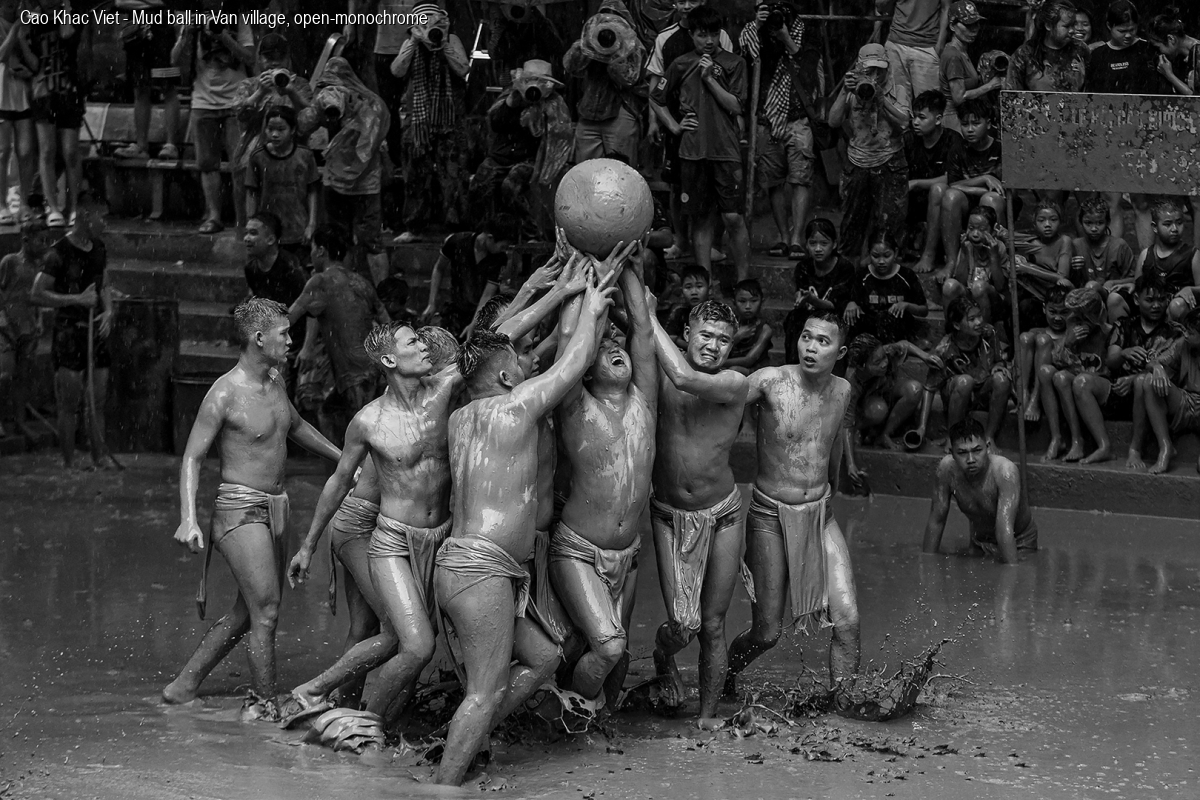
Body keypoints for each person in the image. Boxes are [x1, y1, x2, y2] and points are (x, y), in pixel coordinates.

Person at [434, 267, 616, 786]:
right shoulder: (514, 407)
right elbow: (575, 361)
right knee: (484, 691)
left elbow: (482, 350)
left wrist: (557, 291)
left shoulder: (460, 416)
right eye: (519, 361)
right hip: (481, 570)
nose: (528, 364)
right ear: (507, 378)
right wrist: (592, 306)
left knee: (543, 657)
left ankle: (464, 741)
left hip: (467, 566)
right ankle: (442, 789)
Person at [163, 298, 340, 716]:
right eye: (285, 334)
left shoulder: (275, 381)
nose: (292, 341)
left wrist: (345, 459)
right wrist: (188, 518)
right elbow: (192, 457)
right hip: (240, 509)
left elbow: (296, 426)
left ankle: (183, 687)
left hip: (277, 506)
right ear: (259, 338)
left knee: (250, 611)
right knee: (267, 611)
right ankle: (265, 707)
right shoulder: (224, 393)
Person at [282, 320, 461, 728]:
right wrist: (308, 545)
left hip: (407, 530)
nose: (424, 348)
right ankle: (336, 704)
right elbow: (338, 481)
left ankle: (350, 712)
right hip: (361, 525)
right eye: (414, 342)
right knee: (403, 634)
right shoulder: (372, 420)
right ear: (390, 360)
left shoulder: (439, 397)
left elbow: (490, 340)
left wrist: (542, 292)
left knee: (372, 628)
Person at [726, 313, 859, 695]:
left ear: (840, 352)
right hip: (769, 515)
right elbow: (719, 405)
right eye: (806, 337)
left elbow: (831, 443)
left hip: (820, 514)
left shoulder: (843, 390)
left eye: (822, 341)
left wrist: (836, 484)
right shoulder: (770, 381)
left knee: (848, 622)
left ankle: (842, 708)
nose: (811, 347)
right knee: (767, 633)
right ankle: (724, 675)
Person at [552, 243, 654, 706]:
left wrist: (628, 265)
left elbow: (644, 332)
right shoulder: (576, 406)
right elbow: (568, 340)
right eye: (604, 347)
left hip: (628, 555)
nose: (617, 348)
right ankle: (568, 720)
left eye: (619, 345)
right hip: (579, 550)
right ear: (586, 368)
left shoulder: (645, 401)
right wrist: (583, 278)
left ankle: (600, 725)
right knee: (609, 647)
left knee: (619, 660)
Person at [644, 297, 747, 724]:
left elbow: (685, 378)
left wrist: (649, 313)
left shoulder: (734, 383)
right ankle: (661, 654)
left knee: (713, 623)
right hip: (669, 513)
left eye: (723, 340)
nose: (713, 346)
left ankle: (706, 716)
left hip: (723, 513)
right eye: (705, 335)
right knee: (681, 625)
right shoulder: (655, 372)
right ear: (686, 333)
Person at [652, 5, 751, 282]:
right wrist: (674, 126)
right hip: (693, 151)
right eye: (701, 35)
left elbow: (736, 105)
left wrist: (709, 79)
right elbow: (656, 97)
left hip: (726, 150)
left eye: (714, 34)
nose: (708, 41)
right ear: (692, 34)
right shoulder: (680, 63)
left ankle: (744, 283)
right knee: (702, 218)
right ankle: (704, 284)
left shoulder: (734, 62)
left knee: (733, 217)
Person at [30, 194, 119, 470]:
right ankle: (68, 463)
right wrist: (76, 300)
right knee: (69, 404)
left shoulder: (99, 248)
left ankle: (99, 457)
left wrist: (108, 311)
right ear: (85, 216)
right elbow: (37, 293)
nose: (105, 224)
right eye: (102, 217)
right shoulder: (58, 252)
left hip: (96, 330)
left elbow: (104, 283)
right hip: (70, 333)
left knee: (97, 401)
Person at [288, 224, 390, 445]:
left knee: (363, 431)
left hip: (354, 372)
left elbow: (289, 317)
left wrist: (262, 326)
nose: (311, 254)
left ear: (321, 251)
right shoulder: (362, 282)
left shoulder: (320, 281)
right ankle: (341, 462)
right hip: (372, 367)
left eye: (312, 249)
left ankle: (348, 464)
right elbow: (389, 324)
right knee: (330, 411)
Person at [740, 0, 823, 258]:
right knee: (773, 181)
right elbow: (749, 60)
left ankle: (797, 238)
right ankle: (783, 237)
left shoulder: (807, 34)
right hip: (767, 118)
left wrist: (786, 38)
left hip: (799, 119)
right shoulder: (756, 34)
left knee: (800, 179)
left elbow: (809, 75)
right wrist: (759, 27)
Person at [172, 0, 255, 233]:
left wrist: (224, 37)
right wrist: (187, 34)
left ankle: (243, 220)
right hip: (203, 101)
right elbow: (174, 60)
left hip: (236, 100)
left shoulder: (237, 18)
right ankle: (214, 216)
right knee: (207, 164)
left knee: (241, 164)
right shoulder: (192, 20)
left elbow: (250, 57)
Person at [1087, 1, 1164, 248]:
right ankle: (1114, 259)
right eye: (1122, 30)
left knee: (1142, 202)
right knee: (1111, 201)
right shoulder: (1098, 56)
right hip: (1109, 138)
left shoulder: (1148, 51)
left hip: (1143, 138)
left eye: (1132, 29)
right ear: (1109, 27)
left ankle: (1146, 259)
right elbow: (1092, 99)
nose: (1128, 35)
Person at [391, 5, 470, 242]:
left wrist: (443, 43)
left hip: (449, 118)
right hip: (417, 121)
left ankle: (455, 227)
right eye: (424, 24)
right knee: (415, 174)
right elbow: (397, 71)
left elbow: (463, 69)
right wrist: (415, 41)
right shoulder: (411, 43)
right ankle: (415, 226)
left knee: (452, 174)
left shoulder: (451, 39)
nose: (430, 28)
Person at [829, 43, 912, 261]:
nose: (875, 76)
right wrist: (844, 91)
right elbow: (833, 121)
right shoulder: (852, 89)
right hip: (857, 161)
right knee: (852, 222)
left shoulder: (898, 89)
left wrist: (882, 101)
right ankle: (850, 270)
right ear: (859, 68)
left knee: (889, 223)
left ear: (887, 67)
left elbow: (904, 124)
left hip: (889, 161)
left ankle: (886, 268)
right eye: (869, 70)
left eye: (879, 70)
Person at [312, 57, 391, 283]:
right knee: (337, 240)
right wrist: (319, 107)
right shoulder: (325, 101)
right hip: (334, 182)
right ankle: (342, 287)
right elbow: (304, 124)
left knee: (371, 240)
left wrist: (355, 111)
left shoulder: (372, 105)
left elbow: (366, 149)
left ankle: (383, 292)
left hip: (365, 184)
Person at [921, 417, 1038, 564]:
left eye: (977, 450)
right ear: (951, 453)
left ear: (988, 447)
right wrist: (925, 564)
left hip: (1019, 542)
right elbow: (936, 521)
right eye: (962, 453)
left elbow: (1004, 531)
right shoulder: (946, 471)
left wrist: (1012, 571)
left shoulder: (1005, 473)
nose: (971, 459)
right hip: (979, 541)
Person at [27, 0, 92, 228]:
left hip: (68, 90)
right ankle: (52, 206)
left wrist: (65, 11)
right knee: (47, 150)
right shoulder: (32, 19)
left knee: (70, 151)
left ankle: (74, 207)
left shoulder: (73, 15)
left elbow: (68, 36)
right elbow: (30, 58)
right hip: (43, 92)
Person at [1036, 286, 1115, 462]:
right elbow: (1059, 360)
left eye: (1084, 318)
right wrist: (1069, 343)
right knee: (1056, 375)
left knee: (1079, 380)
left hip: (1100, 383)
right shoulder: (1072, 324)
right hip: (1077, 379)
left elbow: (1111, 367)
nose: (1079, 322)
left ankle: (1102, 445)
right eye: (1076, 317)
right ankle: (1070, 439)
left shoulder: (1108, 331)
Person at [565, 0, 647, 167]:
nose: (609, 24)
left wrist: (617, 52)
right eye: (605, 19)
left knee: (621, 170)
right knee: (588, 170)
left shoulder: (633, 44)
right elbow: (572, 67)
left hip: (621, 111)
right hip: (589, 112)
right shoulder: (591, 40)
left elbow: (630, 79)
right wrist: (584, 46)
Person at [841, 332, 940, 461]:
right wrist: (850, 464)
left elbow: (905, 345)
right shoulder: (852, 380)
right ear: (862, 366)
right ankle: (861, 430)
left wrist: (925, 356)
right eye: (877, 362)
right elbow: (847, 422)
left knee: (914, 389)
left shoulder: (885, 351)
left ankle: (885, 434)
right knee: (878, 410)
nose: (884, 363)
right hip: (866, 408)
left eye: (884, 358)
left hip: (887, 390)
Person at [420, 214, 517, 338]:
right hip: (456, 309)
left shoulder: (499, 258)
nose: (504, 250)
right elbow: (439, 269)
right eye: (503, 246)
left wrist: (474, 324)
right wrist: (432, 303)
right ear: (490, 238)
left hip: (482, 312)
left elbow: (487, 294)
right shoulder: (456, 242)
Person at [930, 296, 1012, 444]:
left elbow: (998, 360)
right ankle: (952, 437)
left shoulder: (989, 333)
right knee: (965, 381)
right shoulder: (945, 348)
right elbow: (929, 387)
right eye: (972, 319)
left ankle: (989, 437)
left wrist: (999, 366)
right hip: (958, 393)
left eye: (980, 316)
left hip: (981, 390)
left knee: (1002, 379)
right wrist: (922, 427)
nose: (979, 322)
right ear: (957, 325)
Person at [939, 96, 1005, 275]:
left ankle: (995, 262)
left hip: (994, 206)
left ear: (988, 124)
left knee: (990, 199)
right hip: (967, 206)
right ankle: (952, 261)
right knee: (950, 196)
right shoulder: (957, 150)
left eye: (976, 124)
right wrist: (983, 179)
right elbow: (953, 184)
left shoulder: (1000, 150)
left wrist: (981, 191)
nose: (969, 129)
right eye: (964, 124)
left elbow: (1006, 192)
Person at [245, 106, 321, 260]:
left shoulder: (305, 155)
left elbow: (312, 191)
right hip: (268, 230)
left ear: (292, 130)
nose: (274, 134)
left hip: (298, 227)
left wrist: (311, 224)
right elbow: (251, 192)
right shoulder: (258, 157)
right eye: (270, 129)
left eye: (281, 129)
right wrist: (252, 224)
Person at [1134, 306, 1200, 474]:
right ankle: (1165, 447)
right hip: (1186, 400)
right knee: (1148, 381)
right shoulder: (1183, 344)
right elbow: (1155, 361)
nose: (1186, 335)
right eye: (1186, 331)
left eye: (1191, 333)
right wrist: (1157, 367)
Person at [0, 215, 48, 438]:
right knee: (4, 375)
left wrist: (39, 320)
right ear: (26, 240)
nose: (44, 245)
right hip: (7, 327)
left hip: (28, 328)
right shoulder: (10, 262)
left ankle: (20, 422)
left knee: (23, 377)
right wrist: (2, 317)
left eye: (46, 240)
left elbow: (38, 297)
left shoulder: (40, 267)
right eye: (40, 240)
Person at [114, 0, 181, 161]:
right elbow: (120, 2)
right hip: (135, 29)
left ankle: (171, 145)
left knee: (167, 86)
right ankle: (141, 146)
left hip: (162, 26)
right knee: (139, 88)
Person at [784, 218, 856, 364]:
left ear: (834, 244)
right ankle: (794, 364)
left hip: (835, 317)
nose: (818, 249)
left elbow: (835, 305)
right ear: (806, 244)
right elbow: (800, 293)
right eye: (813, 243)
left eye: (824, 244)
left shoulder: (844, 267)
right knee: (794, 318)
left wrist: (812, 299)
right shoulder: (803, 267)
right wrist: (800, 298)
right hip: (810, 316)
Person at [906, 90, 963, 273]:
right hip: (914, 204)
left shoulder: (953, 140)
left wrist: (917, 183)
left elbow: (953, 178)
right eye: (914, 116)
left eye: (922, 117)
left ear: (938, 119)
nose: (915, 122)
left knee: (939, 189)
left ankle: (929, 255)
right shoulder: (909, 139)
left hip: (941, 202)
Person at [243, 212, 308, 365]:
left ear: (271, 239)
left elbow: (311, 308)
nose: (246, 238)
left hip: (298, 339)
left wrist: (307, 347)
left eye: (253, 233)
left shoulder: (291, 267)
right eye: (246, 233)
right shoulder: (251, 269)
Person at [844, 230, 929, 345]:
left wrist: (906, 305)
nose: (881, 261)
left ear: (896, 253)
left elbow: (923, 310)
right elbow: (852, 301)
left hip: (898, 329)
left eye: (887, 256)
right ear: (869, 254)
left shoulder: (907, 276)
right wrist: (851, 303)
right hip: (870, 330)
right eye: (875, 256)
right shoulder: (862, 276)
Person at [1129, 200, 1200, 323]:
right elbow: (1138, 286)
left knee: (1176, 306)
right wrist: (1130, 285)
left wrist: (1191, 289)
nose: (1174, 229)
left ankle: (1174, 334)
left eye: (1179, 223)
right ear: (1155, 227)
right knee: (1116, 299)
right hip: (1153, 302)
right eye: (1167, 224)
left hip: (1177, 304)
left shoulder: (1192, 254)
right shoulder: (1146, 254)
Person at [939, 1, 1002, 133]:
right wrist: (990, 85)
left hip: (963, 115)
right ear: (952, 26)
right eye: (968, 25)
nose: (974, 29)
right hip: (953, 118)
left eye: (976, 24)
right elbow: (959, 97)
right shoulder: (953, 56)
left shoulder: (962, 51)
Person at [0, 0, 37, 224]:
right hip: (1, 92)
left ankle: (24, 203)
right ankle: (1, 204)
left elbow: (33, 60)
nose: (12, 8)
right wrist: (15, 29)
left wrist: (22, 32)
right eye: (7, 4)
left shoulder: (29, 22)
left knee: (25, 152)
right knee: (3, 151)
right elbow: (2, 54)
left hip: (23, 92)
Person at [872, 0, 951, 100]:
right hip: (896, 43)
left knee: (930, 103)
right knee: (896, 101)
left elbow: (946, 8)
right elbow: (881, 6)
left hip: (926, 46)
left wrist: (940, 43)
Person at [941, 205, 1006, 323]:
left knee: (979, 287)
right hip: (970, 295)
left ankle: (984, 328)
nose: (975, 234)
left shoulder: (999, 248)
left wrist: (994, 256)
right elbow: (961, 280)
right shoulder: (967, 245)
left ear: (993, 231)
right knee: (949, 285)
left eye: (982, 229)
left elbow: (1000, 286)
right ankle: (950, 328)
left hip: (992, 299)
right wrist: (964, 254)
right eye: (971, 228)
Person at [1006, 0, 1089, 92]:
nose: (1072, 30)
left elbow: (1092, 91)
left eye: (1073, 25)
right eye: (1066, 26)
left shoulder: (1080, 49)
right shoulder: (1025, 54)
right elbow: (1011, 94)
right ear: (1048, 25)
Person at [1019, 286, 1070, 421]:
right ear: (1044, 309)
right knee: (1026, 337)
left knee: (1044, 341)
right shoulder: (1035, 332)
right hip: (1029, 385)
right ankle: (1023, 395)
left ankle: (1035, 401)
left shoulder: (1071, 336)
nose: (1058, 318)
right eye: (1052, 312)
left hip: (1051, 388)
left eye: (1064, 313)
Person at [1070, 195, 1135, 298]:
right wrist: (1074, 269)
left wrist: (1113, 282)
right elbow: (1069, 280)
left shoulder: (1119, 246)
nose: (1094, 228)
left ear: (1108, 222)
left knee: (1092, 286)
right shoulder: (1076, 245)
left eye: (1100, 223)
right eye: (1088, 223)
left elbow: (1135, 278)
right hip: (1083, 298)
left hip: (1112, 296)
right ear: (1081, 223)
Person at [725, 279, 774, 374]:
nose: (748, 306)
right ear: (734, 302)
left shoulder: (765, 330)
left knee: (734, 370)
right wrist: (737, 337)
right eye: (742, 301)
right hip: (727, 367)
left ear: (761, 301)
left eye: (754, 301)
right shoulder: (728, 325)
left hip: (756, 372)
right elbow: (718, 350)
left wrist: (717, 363)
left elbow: (749, 360)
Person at [664, 264, 711, 347]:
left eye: (699, 286)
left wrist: (678, 341)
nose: (694, 292)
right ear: (681, 290)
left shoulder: (716, 312)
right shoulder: (679, 312)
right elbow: (669, 338)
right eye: (688, 287)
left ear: (709, 289)